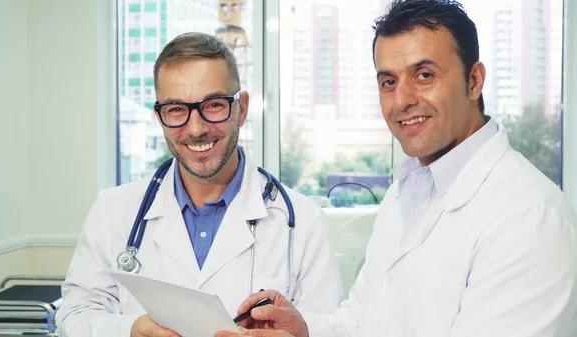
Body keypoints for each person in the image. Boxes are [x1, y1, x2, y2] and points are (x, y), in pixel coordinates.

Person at [216, 0, 577, 336]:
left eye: (424, 75)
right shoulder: (406, 190)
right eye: (389, 81)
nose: (402, 100)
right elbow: (364, 316)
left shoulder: (529, 217)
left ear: (474, 81)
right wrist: (305, 330)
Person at [56, 32, 342, 337]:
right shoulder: (112, 211)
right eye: (176, 109)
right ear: (160, 116)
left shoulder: (303, 221)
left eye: (214, 105)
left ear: (241, 108)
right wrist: (130, 331)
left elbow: (326, 328)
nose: (196, 129)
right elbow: (73, 316)